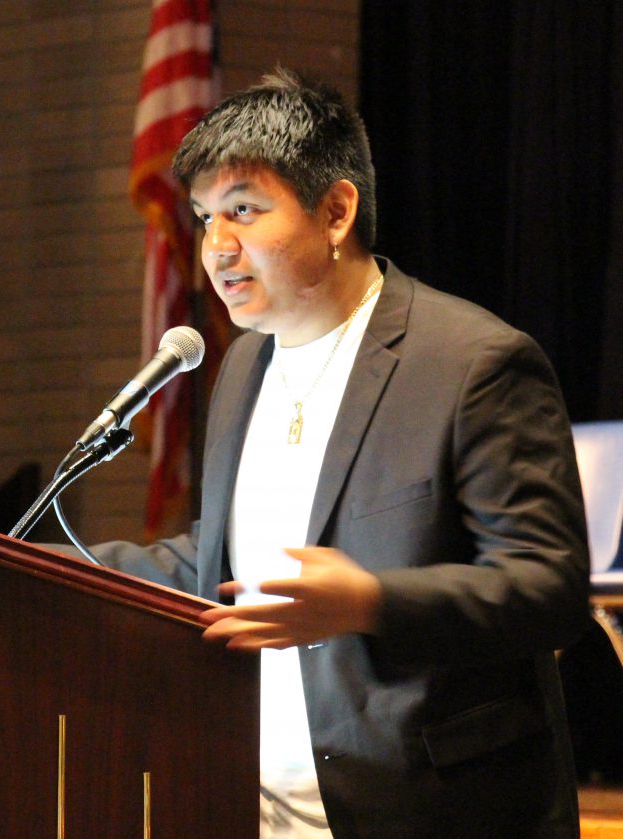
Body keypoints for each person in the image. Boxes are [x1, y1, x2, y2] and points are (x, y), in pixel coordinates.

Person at [70, 69, 591, 837]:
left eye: (244, 210)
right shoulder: (244, 365)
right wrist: (26, 564)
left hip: (431, 813)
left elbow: (548, 589)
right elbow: (225, 560)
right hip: (254, 811)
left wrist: (370, 602)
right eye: (206, 217)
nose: (217, 248)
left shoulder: (473, 363)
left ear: (337, 209)